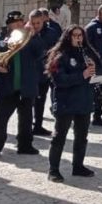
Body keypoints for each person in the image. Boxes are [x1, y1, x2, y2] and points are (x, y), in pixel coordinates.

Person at [0, 10, 58, 161]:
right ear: (8, 25)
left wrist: (34, 36)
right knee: (0, 120)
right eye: (14, 23)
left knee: (26, 119)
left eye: (20, 23)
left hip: (26, 86)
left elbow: (42, 53)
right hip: (6, 87)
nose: (18, 26)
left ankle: (25, 145)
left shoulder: (30, 38)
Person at [46, 25, 97, 182]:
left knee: (82, 136)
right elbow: (59, 80)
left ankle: (78, 166)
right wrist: (82, 75)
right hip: (66, 102)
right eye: (75, 36)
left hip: (84, 100)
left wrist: (95, 68)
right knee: (59, 137)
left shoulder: (87, 52)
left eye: (80, 36)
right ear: (68, 37)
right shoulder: (59, 56)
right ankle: (53, 170)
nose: (78, 38)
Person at [33, 8, 62, 137]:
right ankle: (27, 127)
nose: (35, 26)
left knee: (41, 100)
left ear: (43, 21)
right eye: (33, 23)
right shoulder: (26, 33)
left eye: (38, 23)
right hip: (29, 73)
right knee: (27, 102)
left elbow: (57, 50)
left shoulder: (52, 33)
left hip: (44, 72)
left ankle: (37, 125)